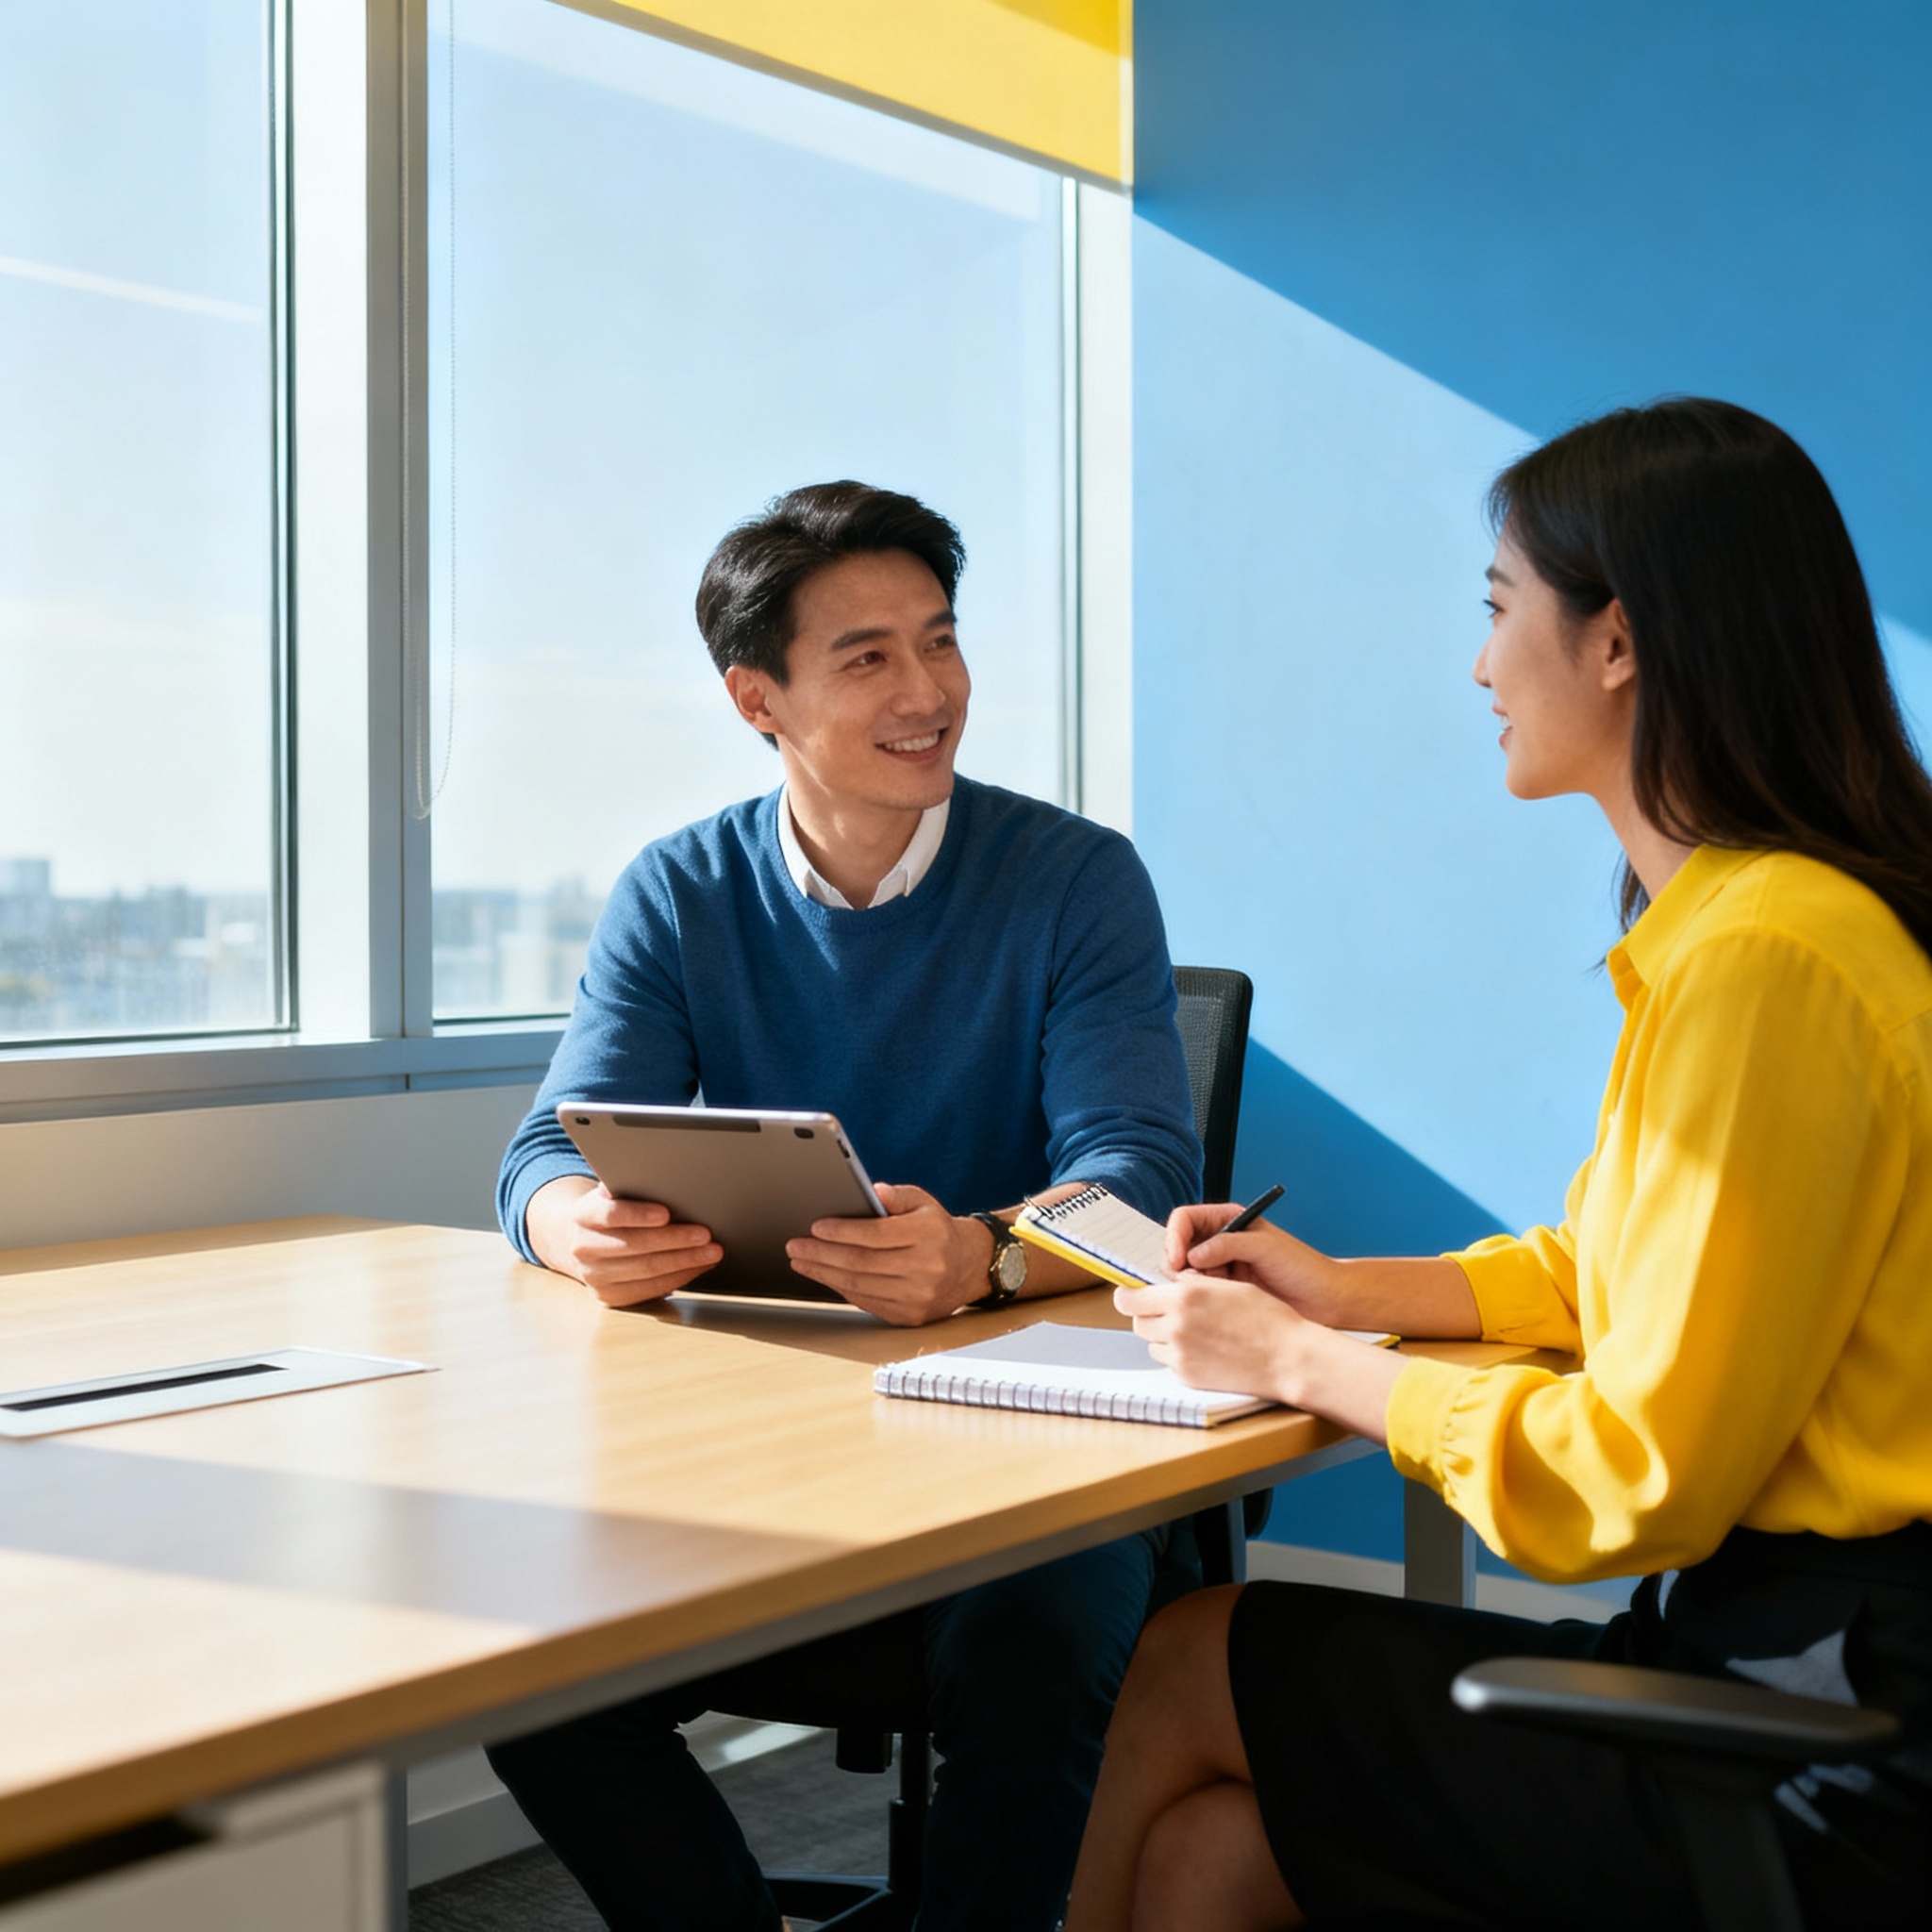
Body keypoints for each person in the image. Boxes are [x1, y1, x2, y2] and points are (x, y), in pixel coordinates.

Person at [1063, 399, 1932, 1932]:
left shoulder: (1772, 959)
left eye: (1498, 608)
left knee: (1197, 1650)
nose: (1479, 666)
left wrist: (1314, 1361)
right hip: (1793, 1663)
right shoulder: (1767, 929)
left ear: (1619, 642)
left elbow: (1637, 1477)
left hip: (1833, 1727)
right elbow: (1622, 1275)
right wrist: (1345, 1289)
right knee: (1215, 1861)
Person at [489, 480, 1204, 1932]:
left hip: (1029, 1444)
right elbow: (537, 1160)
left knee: (1035, 1647)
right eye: (867, 658)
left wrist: (986, 1259)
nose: (928, 690)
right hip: (761, 1446)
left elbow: (1141, 1174)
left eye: (938, 642)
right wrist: (583, 1229)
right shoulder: (677, 891)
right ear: (759, 699)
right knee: (526, 1663)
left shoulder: (1075, 881)